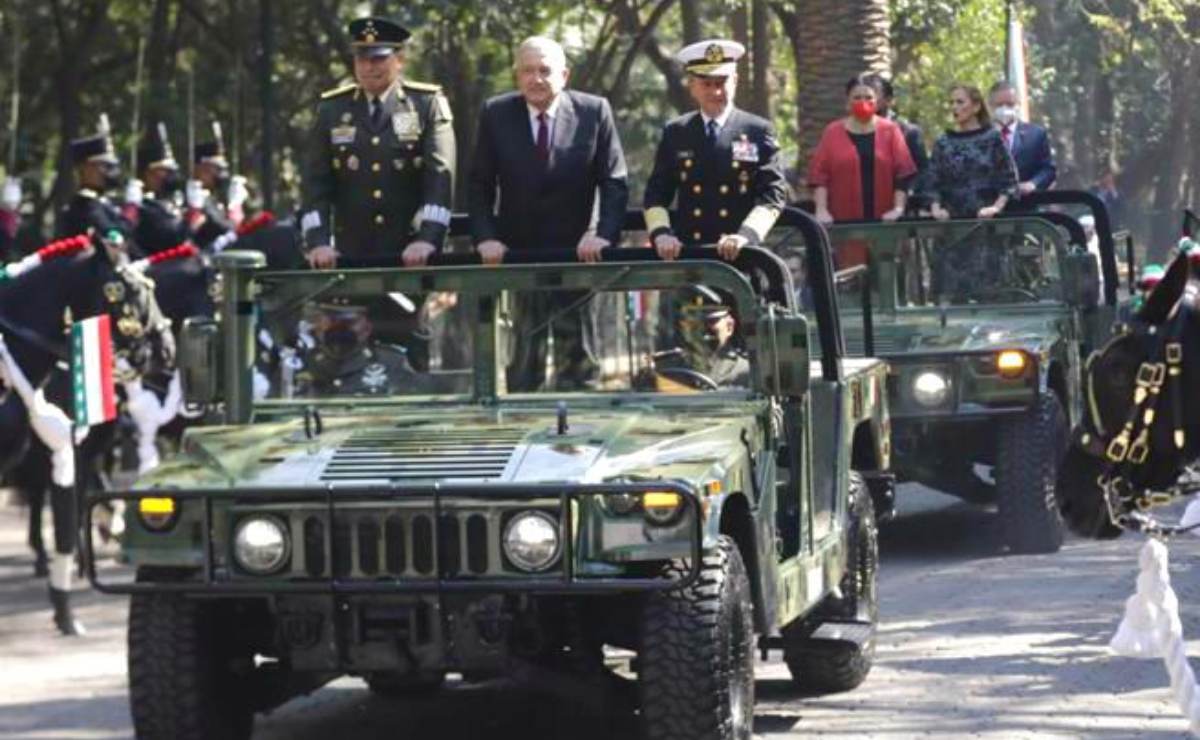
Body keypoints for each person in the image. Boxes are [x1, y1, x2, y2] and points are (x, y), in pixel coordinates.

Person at [468, 35, 629, 391]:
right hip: (519, 257)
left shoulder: (593, 111)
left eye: (545, 70)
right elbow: (479, 184)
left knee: (581, 367)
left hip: (579, 257)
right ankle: (522, 422)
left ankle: (580, 424)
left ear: (565, 75)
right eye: (527, 71)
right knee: (524, 367)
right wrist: (486, 238)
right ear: (517, 75)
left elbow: (614, 181)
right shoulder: (496, 113)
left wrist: (601, 233)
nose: (536, 79)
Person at [300, 16, 455, 270]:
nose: (369, 67)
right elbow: (315, 183)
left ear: (400, 60)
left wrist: (428, 240)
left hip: (413, 255)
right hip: (347, 256)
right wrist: (318, 242)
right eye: (362, 59)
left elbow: (439, 178)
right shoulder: (332, 109)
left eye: (378, 59)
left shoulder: (425, 104)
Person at [643, 39, 787, 261]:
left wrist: (746, 236)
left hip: (740, 256)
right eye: (707, 84)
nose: (715, 91)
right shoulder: (676, 132)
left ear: (735, 81)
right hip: (689, 257)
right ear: (692, 86)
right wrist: (661, 234)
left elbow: (772, 196)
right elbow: (656, 194)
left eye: (721, 83)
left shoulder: (758, 131)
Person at [808, 74, 916, 267]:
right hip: (844, 221)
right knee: (850, 274)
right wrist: (821, 210)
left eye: (868, 97)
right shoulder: (833, 132)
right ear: (847, 102)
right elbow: (820, 176)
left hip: (884, 221)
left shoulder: (890, 130)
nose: (863, 102)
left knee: (885, 271)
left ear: (877, 101)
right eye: (857, 97)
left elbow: (903, 173)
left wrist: (898, 209)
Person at [923, 84, 1017, 221]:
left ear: (976, 106)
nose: (954, 107)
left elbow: (1009, 182)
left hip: (987, 222)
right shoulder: (943, 142)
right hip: (950, 223)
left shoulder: (993, 138)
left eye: (960, 102)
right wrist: (936, 209)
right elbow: (932, 182)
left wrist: (996, 208)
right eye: (951, 103)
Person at [298, 302, 429, 396]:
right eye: (331, 322)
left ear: (367, 328)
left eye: (349, 323)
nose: (339, 329)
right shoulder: (302, 363)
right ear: (318, 328)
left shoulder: (392, 362)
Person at [643, 285, 749, 390]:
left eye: (710, 322)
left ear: (729, 326)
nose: (701, 329)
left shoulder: (745, 371)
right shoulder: (668, 368)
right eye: (694, 323)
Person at [59, 118, 134, 242]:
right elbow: (114, 235)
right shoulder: (85, 205)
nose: (109, 171)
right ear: (86, 168)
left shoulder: (102, 201)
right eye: (104, 165)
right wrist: (131, 209)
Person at [862, 73, 927, 208]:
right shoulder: (849, 131)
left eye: (873, 93)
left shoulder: (909, 132)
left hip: (899, 208)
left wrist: (906, 194)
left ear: (889, 100)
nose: (867, 99)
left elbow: (923, 173)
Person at [186, 122, 248, 251]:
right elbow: (223, 229)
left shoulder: (215, 200)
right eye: (215, 168)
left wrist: (235, 205)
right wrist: (195, 209)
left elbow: (236, 231)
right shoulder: (188, 198)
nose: (220, 174)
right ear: (199, 168)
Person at [988, 80, 1056, 195]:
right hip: (989, 203)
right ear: (990, 106)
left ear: (1018, 104)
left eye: (1010, 104)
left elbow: (1048, 170)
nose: (1004, 109)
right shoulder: (980, 135)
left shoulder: (1036, 135)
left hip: (1026, 202)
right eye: (999, 105)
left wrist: (1033, 184)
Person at [132, 123, 190, 255]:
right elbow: (171, 236)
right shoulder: (143, 206)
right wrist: (191, 219)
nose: (170, 175)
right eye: (165, 170)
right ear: (149, 173)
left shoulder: (171, 202)